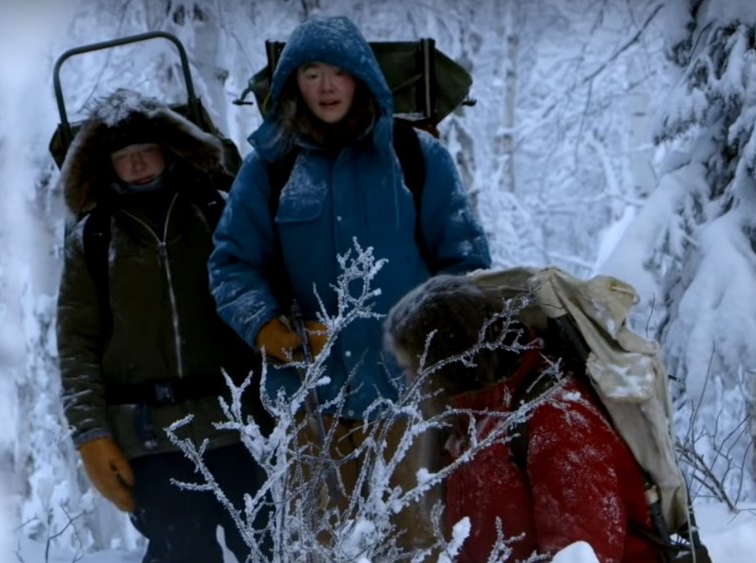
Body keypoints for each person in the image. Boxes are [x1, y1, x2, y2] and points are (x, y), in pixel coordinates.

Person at [208, 14, 491, 552]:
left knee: (418, 544)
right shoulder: (271, 167)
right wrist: (266, 326)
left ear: (362, 75)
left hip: (408, 400)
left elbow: (466, 263)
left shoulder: (414, 156)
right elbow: (231, 263)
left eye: (338, 71)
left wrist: (434, 351)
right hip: (310, 403)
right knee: (320, 548)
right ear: (293, 82)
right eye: (311, 72)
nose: (326, 86)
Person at [56, 89, 266, 563]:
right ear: (105, 166)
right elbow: (76, 345)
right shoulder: (93, 238)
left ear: (168, 149)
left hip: (240, 428)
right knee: (182, 553)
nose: (136, 165)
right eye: (123, 157)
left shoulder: (217, 211)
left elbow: (264, 291)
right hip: (150, 439)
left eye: (145, 151)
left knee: (267, 549)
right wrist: (90, 433)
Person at [383, 274, 661, 563]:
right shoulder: (471, 418)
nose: (410, 381)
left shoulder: (558, 418)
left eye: (414, 368)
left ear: (449, 361)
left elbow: (582, 554)